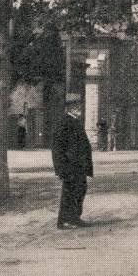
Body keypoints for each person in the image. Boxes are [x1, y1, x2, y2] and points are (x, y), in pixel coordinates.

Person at [51, 96, 93, 229]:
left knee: (78, 190)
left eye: (79, 106)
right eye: (76, 106)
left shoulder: (74, 121)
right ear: (69, 108)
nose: (79, 108)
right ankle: (66, 219)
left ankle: (71, 217)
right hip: (70, 166)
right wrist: (60, 168)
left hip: (78, 166)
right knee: (70, 192)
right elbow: (57, 147)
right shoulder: (65, 122)